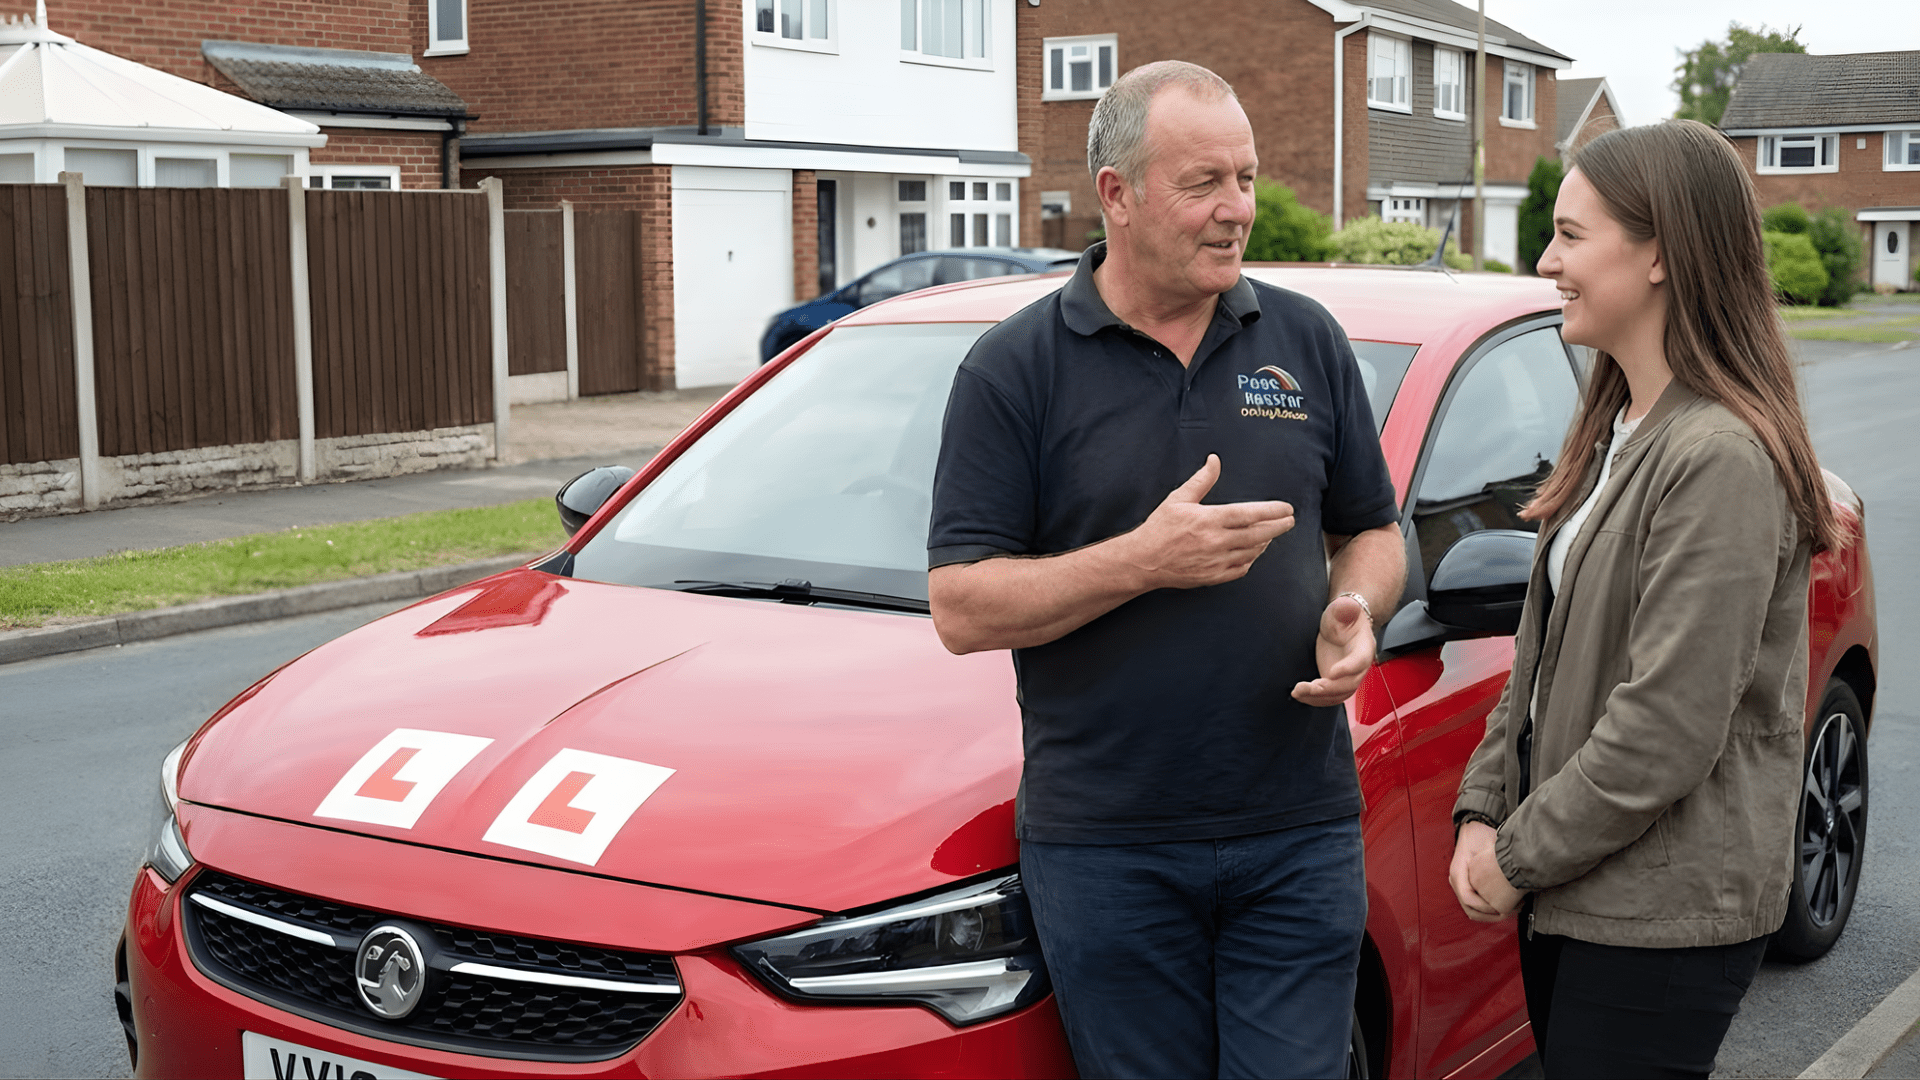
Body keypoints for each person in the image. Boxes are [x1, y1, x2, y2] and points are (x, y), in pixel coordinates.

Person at [926, 61, 1406, 1079]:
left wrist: (1357, 605)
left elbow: (1372, 528)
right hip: (1109, 849)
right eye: (1205, 185)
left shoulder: (1307, 340)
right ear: (1117, 194)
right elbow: (962, 607)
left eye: (1248, 177)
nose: (1239, 210)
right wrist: (1141, 561)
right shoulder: (1017, 370)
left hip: (1298, 831)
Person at [1449, 119, 1844, 1079]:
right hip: (1584, 894)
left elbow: (1666, 725)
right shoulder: (1617, 427)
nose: (1546, 261)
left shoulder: (1720, 458)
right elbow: (1538, 665)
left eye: (1571, 235)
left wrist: (1517, 854)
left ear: (1660, 252)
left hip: (1662, 914)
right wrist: (1482, 806)